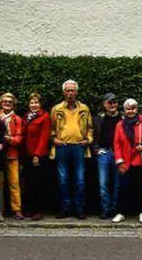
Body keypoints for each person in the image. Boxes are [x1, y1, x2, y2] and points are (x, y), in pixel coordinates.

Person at [50, 80, 93, 220]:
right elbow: (50, 128)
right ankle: (64, 208)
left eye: (72, 90)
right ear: (63, 92)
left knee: (80, 180)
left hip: (79, 147)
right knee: (63, 180)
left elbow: (90, 128)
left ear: (76, 92)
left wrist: (88, 140)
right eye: (67, 91)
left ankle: (79, 209)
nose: (70, 93)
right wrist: (53, 139)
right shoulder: (57, 109)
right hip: (62, 147)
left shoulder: (84, 108)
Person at [112, 99, 142, 223]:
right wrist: (119, 161)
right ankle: (121, 213)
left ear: (137, 109)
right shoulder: (119, 125)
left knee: (141, 187)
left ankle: (141, 212)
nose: (131, 111)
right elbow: (117, 144)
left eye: (133, 108)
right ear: (124, 110)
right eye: (128, 108)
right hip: (125, 161)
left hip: (139, 159)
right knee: (123, 188)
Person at [21, 93, 52, 221]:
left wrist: (37, 155)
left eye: (36, 102)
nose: (34, 105)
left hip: (38, 155)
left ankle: (38, 210)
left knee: (38, 183)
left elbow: (44, 137)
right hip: (26, 154)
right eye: (32, 102)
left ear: (41, 104)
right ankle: (28, 208)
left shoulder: (44, 117)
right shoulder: (26, 117)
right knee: (28, 182)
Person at [91, 92, 122, 219]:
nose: (112, 105)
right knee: (103, 183)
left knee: (117, 182)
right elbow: (92, 135)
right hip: (103, 152)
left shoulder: (123, 118)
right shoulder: (98, 118)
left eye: (114, 102)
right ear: (104, 104)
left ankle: (114, 208)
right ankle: (105, 208)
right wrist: (96, 150)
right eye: (110, 102)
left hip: (118, 153)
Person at [0, 92, 24, 220]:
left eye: (9, 101)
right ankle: (0, 209)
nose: (7, 103)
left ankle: (17, 209)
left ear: (13, 104)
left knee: (14, 183)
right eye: (5, 101)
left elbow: (19, 138)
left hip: (12, 155)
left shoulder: (17, 119)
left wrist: (9, 139)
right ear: (0, 103)